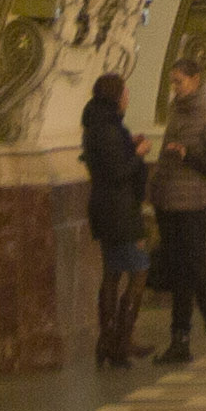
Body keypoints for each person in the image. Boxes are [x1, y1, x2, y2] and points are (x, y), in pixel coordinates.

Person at [146, 61, 206, 367]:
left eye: (180, 82)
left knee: (196, 270)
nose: (175, 87)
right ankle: (179, 339)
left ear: (196, 80)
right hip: (168, 199)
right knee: (179, 271)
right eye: (172, 82)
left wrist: (188, 156)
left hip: (192, 202)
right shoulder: (176, 108)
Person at [79, 73, 150, 369]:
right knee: (139, 269)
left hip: (107, 209)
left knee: (113, 271)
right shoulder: (108, 129)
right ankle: (119, 340)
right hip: (118, 210)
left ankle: (108, 340)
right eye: (125, 93)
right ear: (116, 96)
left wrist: (127, 146)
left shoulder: (98, 125)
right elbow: (118, 172)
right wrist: (138, 153)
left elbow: (109, 162)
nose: (127, 98)